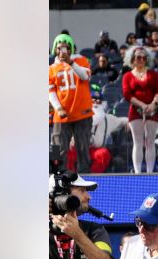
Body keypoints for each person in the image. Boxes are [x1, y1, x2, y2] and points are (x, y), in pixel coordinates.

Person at [49, 34, 94, 174]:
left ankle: (84, 179)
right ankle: (56, 177)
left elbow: (85, 76)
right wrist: (58, 107)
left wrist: (70, 62)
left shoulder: (81, 60)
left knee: (83, 149)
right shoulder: (51, 69)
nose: (63, 50)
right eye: (60, 47)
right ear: (55, 49)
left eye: (66, 47)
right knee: (57, 148)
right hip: (61, 115)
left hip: (82, 113)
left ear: (71, 48)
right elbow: (50, 91)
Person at [121, 45, 158, 174]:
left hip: (153, 111)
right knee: (138, 142)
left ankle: (150, 172)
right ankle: (138, 173)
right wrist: (142, 105)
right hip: (135, 111)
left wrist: (152, 104)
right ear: (132, 59)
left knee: (150, 142)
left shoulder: (153, 74)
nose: (141, 60)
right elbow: (127, 94)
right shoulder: (127, 76)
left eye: (144, 57)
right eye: (138, 57)